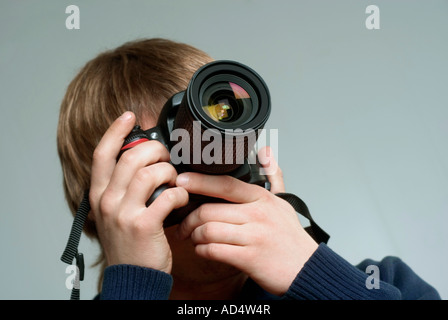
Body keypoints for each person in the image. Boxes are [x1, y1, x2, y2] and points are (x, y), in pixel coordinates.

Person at [57, 38, 440, 300]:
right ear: (100, 209)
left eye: (222, 142)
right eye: (170, 158)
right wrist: (135, 287)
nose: (210, 168)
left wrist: (314, 274)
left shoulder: (383, 284)